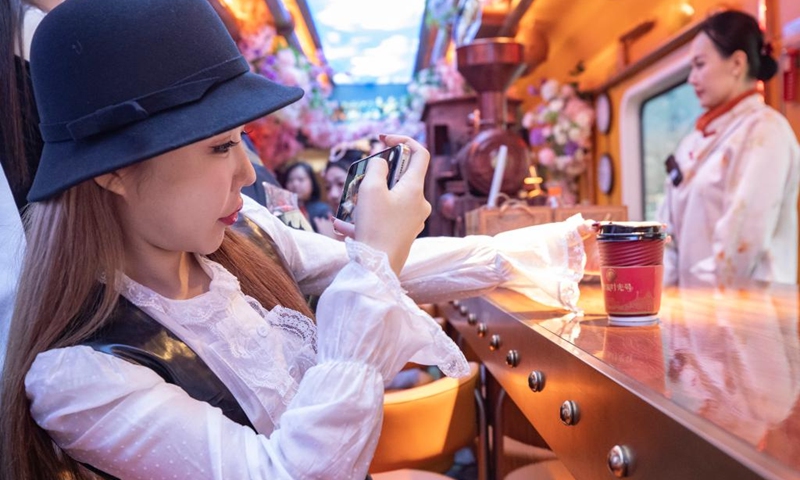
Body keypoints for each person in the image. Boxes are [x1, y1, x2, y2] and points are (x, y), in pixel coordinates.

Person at [1, 0, 599, 478]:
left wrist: (562, 248)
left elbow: (394, 266)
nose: (246, 174)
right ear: (112, 172)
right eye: (219, 146)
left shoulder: (242, 240)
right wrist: (374, 259)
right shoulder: (78, 378)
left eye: (242, 140)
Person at [658, 10, 800, 287]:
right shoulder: (691, 142)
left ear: (736, 63)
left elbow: (739, 246)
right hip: (692, 313)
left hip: (751, 316)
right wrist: (664, 292)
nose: (691, 78)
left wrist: (687, 298)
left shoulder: (766, 131)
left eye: (699, 65)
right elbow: (667, 236)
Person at [279, 161, 332, 233]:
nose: (295, 184)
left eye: (301, 179)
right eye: (290, 180)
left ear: (312, 183)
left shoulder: (322, 210)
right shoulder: (281, 211)